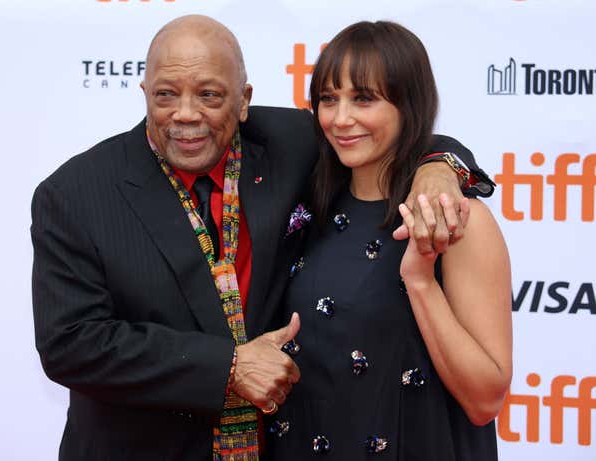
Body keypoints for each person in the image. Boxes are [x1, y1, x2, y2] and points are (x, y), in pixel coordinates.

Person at [30, 15, 494, 461]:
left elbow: (396, 132)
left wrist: (440, 167)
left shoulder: (290, 144)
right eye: (165, 94)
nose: (185, 115)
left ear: (244, 99)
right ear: (144, 93)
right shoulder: (76, 194)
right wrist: (227, 367)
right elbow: (70, 344)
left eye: (210, 95)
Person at [267, 21, 512, 460]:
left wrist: (421, 283)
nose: (340, 119)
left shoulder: (455, 219)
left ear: (408, 104)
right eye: (328, 99)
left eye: (364, 98)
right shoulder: (306, 209)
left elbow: (485, 400)